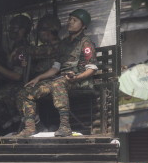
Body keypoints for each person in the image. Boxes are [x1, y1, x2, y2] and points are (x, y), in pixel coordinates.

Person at [15, 9, 98, 137]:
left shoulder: (85, 43)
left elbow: (92, 69)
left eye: (75, 20)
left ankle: (65, 126)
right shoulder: (64, 43)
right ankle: (31, 127)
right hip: (62, 79)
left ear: (83, 26)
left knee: (58, 84)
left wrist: (76, 77)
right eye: (69, 19)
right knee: (26, 91)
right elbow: (56, 67)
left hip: (80, 81)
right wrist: (38, 78)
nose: (70, 22)